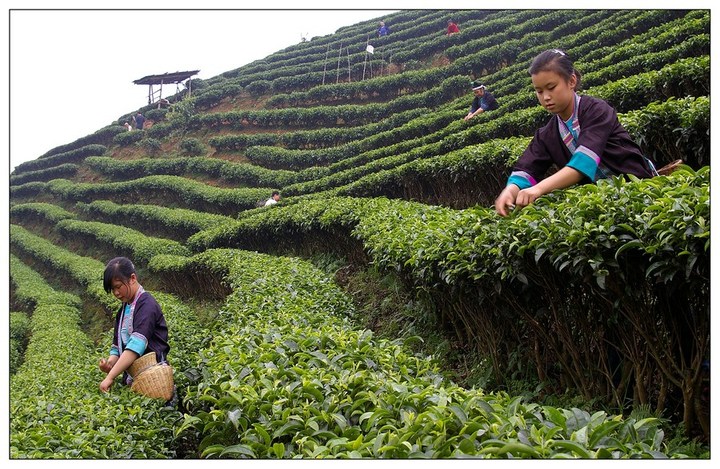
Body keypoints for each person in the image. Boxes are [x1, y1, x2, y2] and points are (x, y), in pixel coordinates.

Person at [494, 49, 658, 217]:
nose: (546, 97)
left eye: (551, 87)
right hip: (606, 204)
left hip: (642, 189)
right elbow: (527, 168)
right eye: (539, 91)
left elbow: (584, 161)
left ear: (571, 81)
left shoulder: (596, 110)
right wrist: (511, 190)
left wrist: (538, 189)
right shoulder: (547, 134)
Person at [99, 257, 169, 394]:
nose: (116, 293)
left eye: (118, 287)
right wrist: (110, 364)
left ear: (132, 278)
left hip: (155, 379)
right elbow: (117, 348)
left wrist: (111, 376)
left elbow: (136, 346)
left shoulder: (146, 305)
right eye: (113, 289)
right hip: (135, 380)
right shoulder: (123, 310)